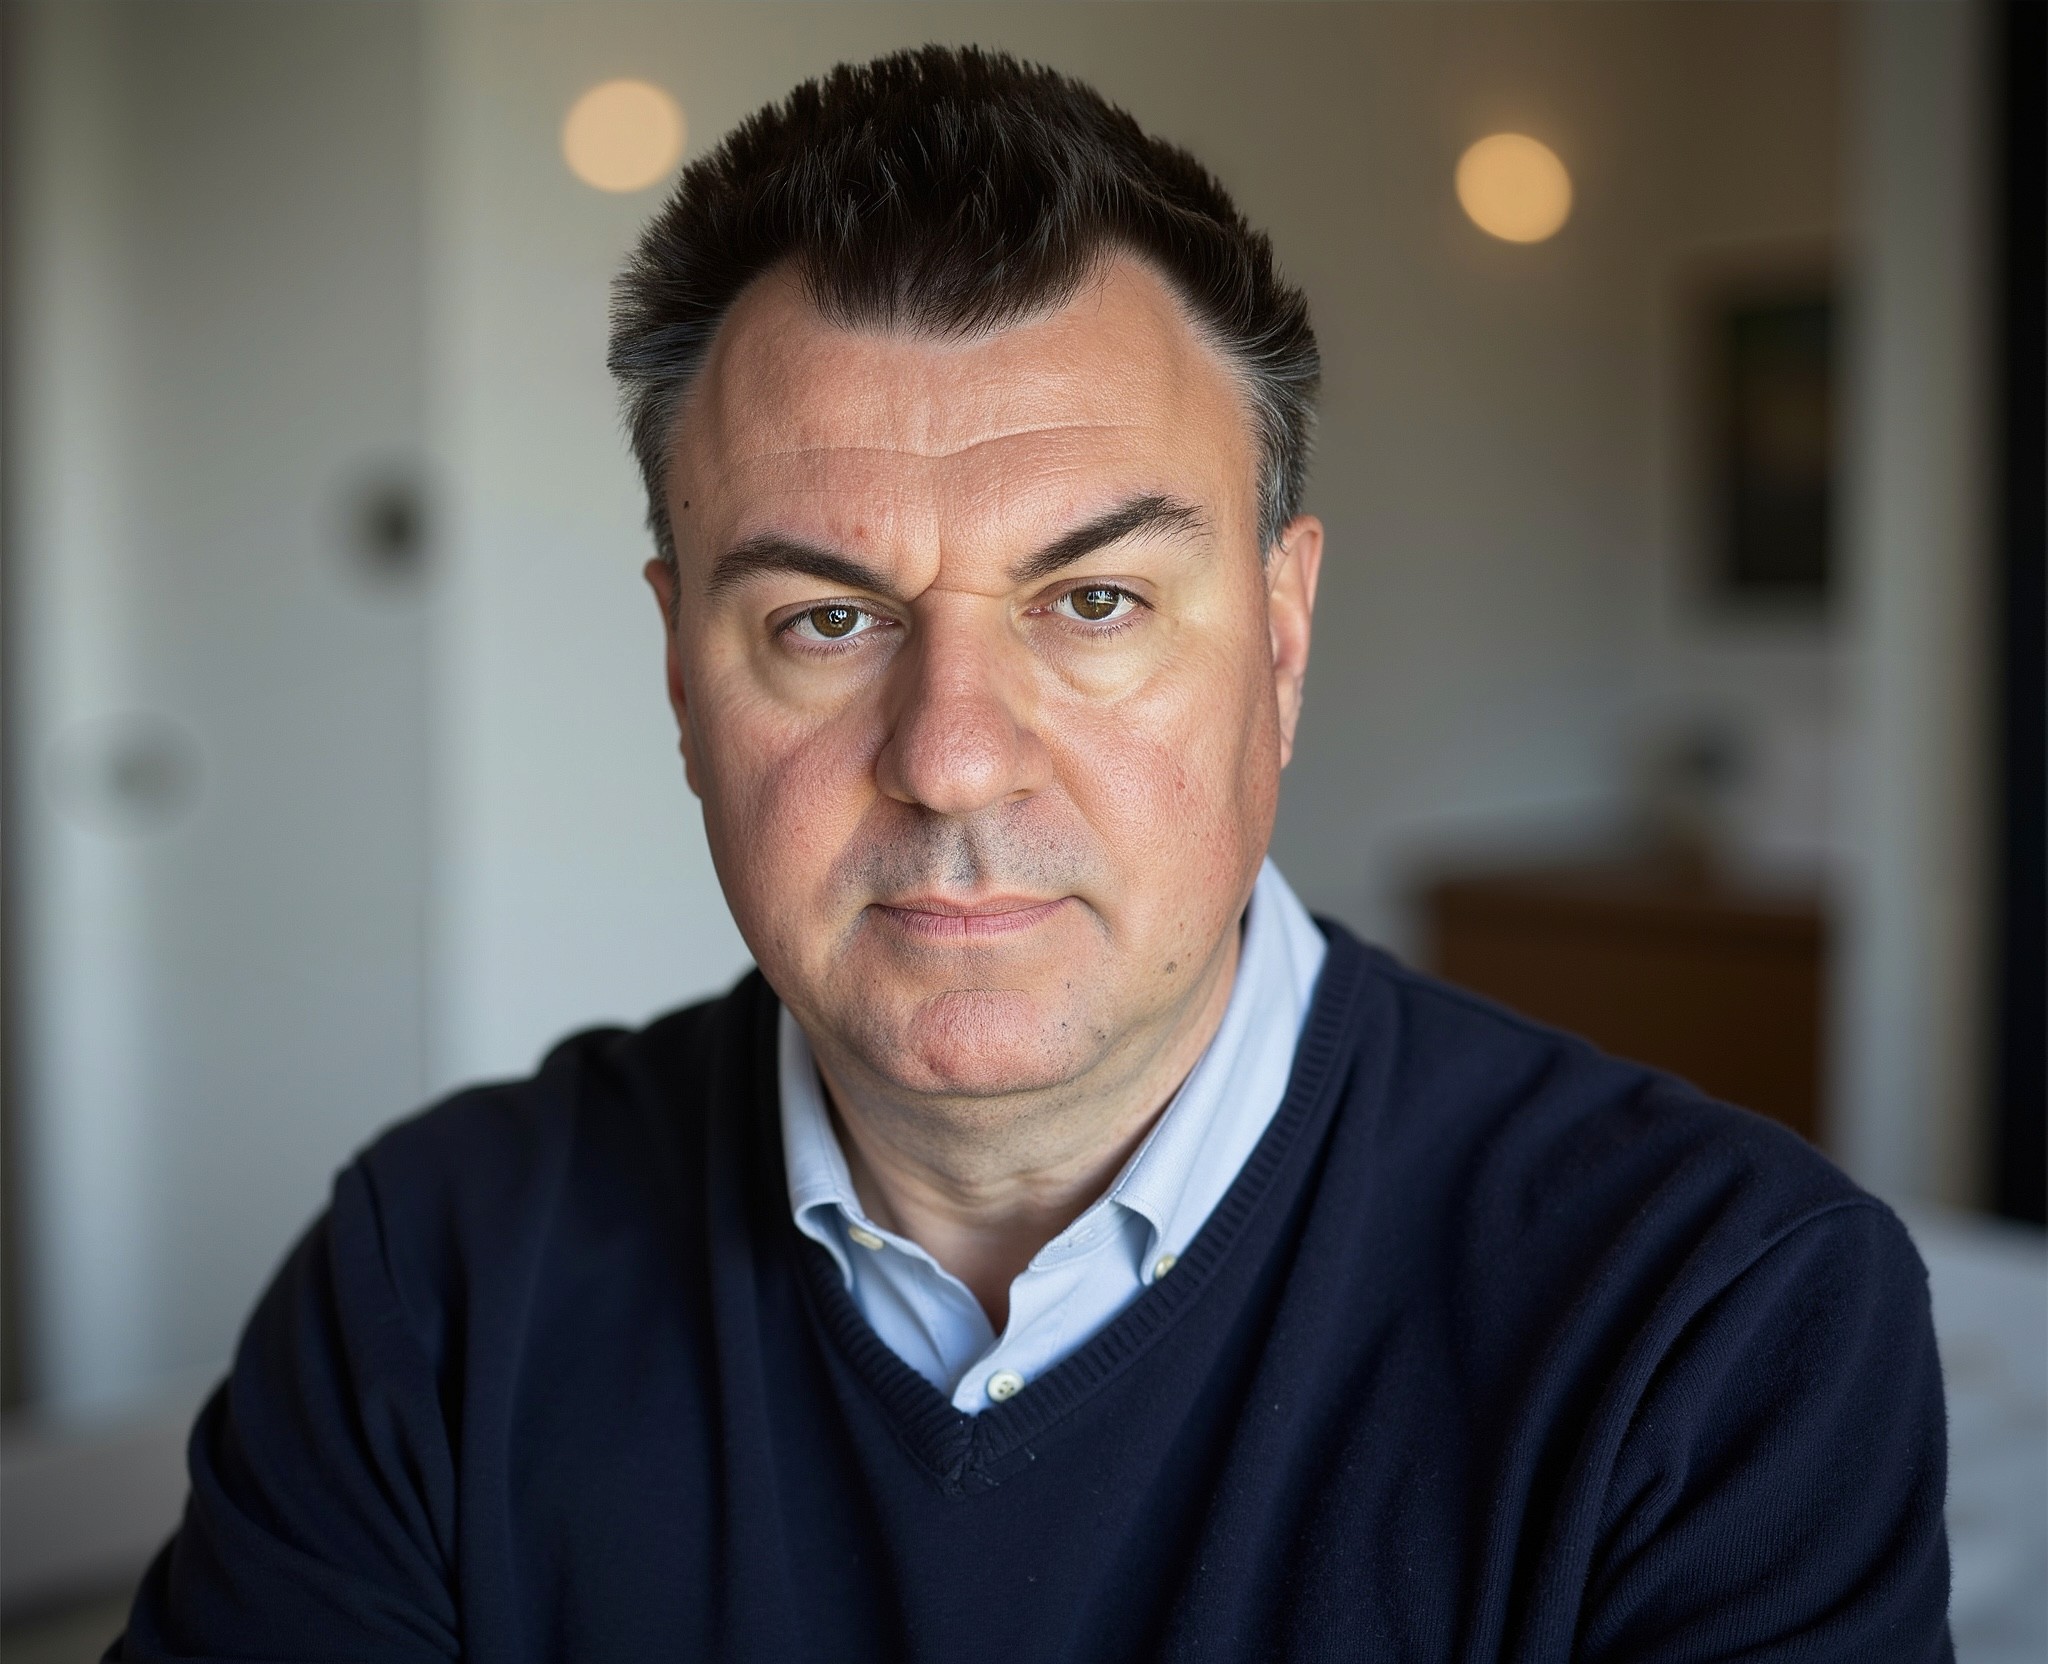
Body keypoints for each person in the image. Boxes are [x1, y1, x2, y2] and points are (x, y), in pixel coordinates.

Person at [114, 45, 1950, 1663]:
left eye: (1092, 599)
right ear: (682, 670)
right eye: (824, 622)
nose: (952, 755)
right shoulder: (429, 1281)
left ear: (1283, 642)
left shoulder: (1719, 1320)